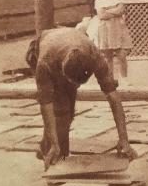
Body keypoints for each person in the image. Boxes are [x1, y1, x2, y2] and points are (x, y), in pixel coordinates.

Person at [26, 27, 137, 169]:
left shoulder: (97, 58)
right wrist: (54, 144)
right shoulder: (45, 63)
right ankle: (55, 153)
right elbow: (46, 105)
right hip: (42, 46)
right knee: (61, 111)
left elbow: (114, 99)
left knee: (68, 112)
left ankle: (48, 148)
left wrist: (124, 140)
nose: (76, 87)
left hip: (68, 44)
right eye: (73, 83)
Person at [95, 0, 133, 86]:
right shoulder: (99, 1)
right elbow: (101, 15)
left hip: (118, 29)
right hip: (105, 30)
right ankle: (110, 78)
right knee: (108, 56)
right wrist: (114, 11)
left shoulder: (119, 0)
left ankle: (124, 78)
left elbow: (120, 11)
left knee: (121, 55)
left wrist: (107, 11)